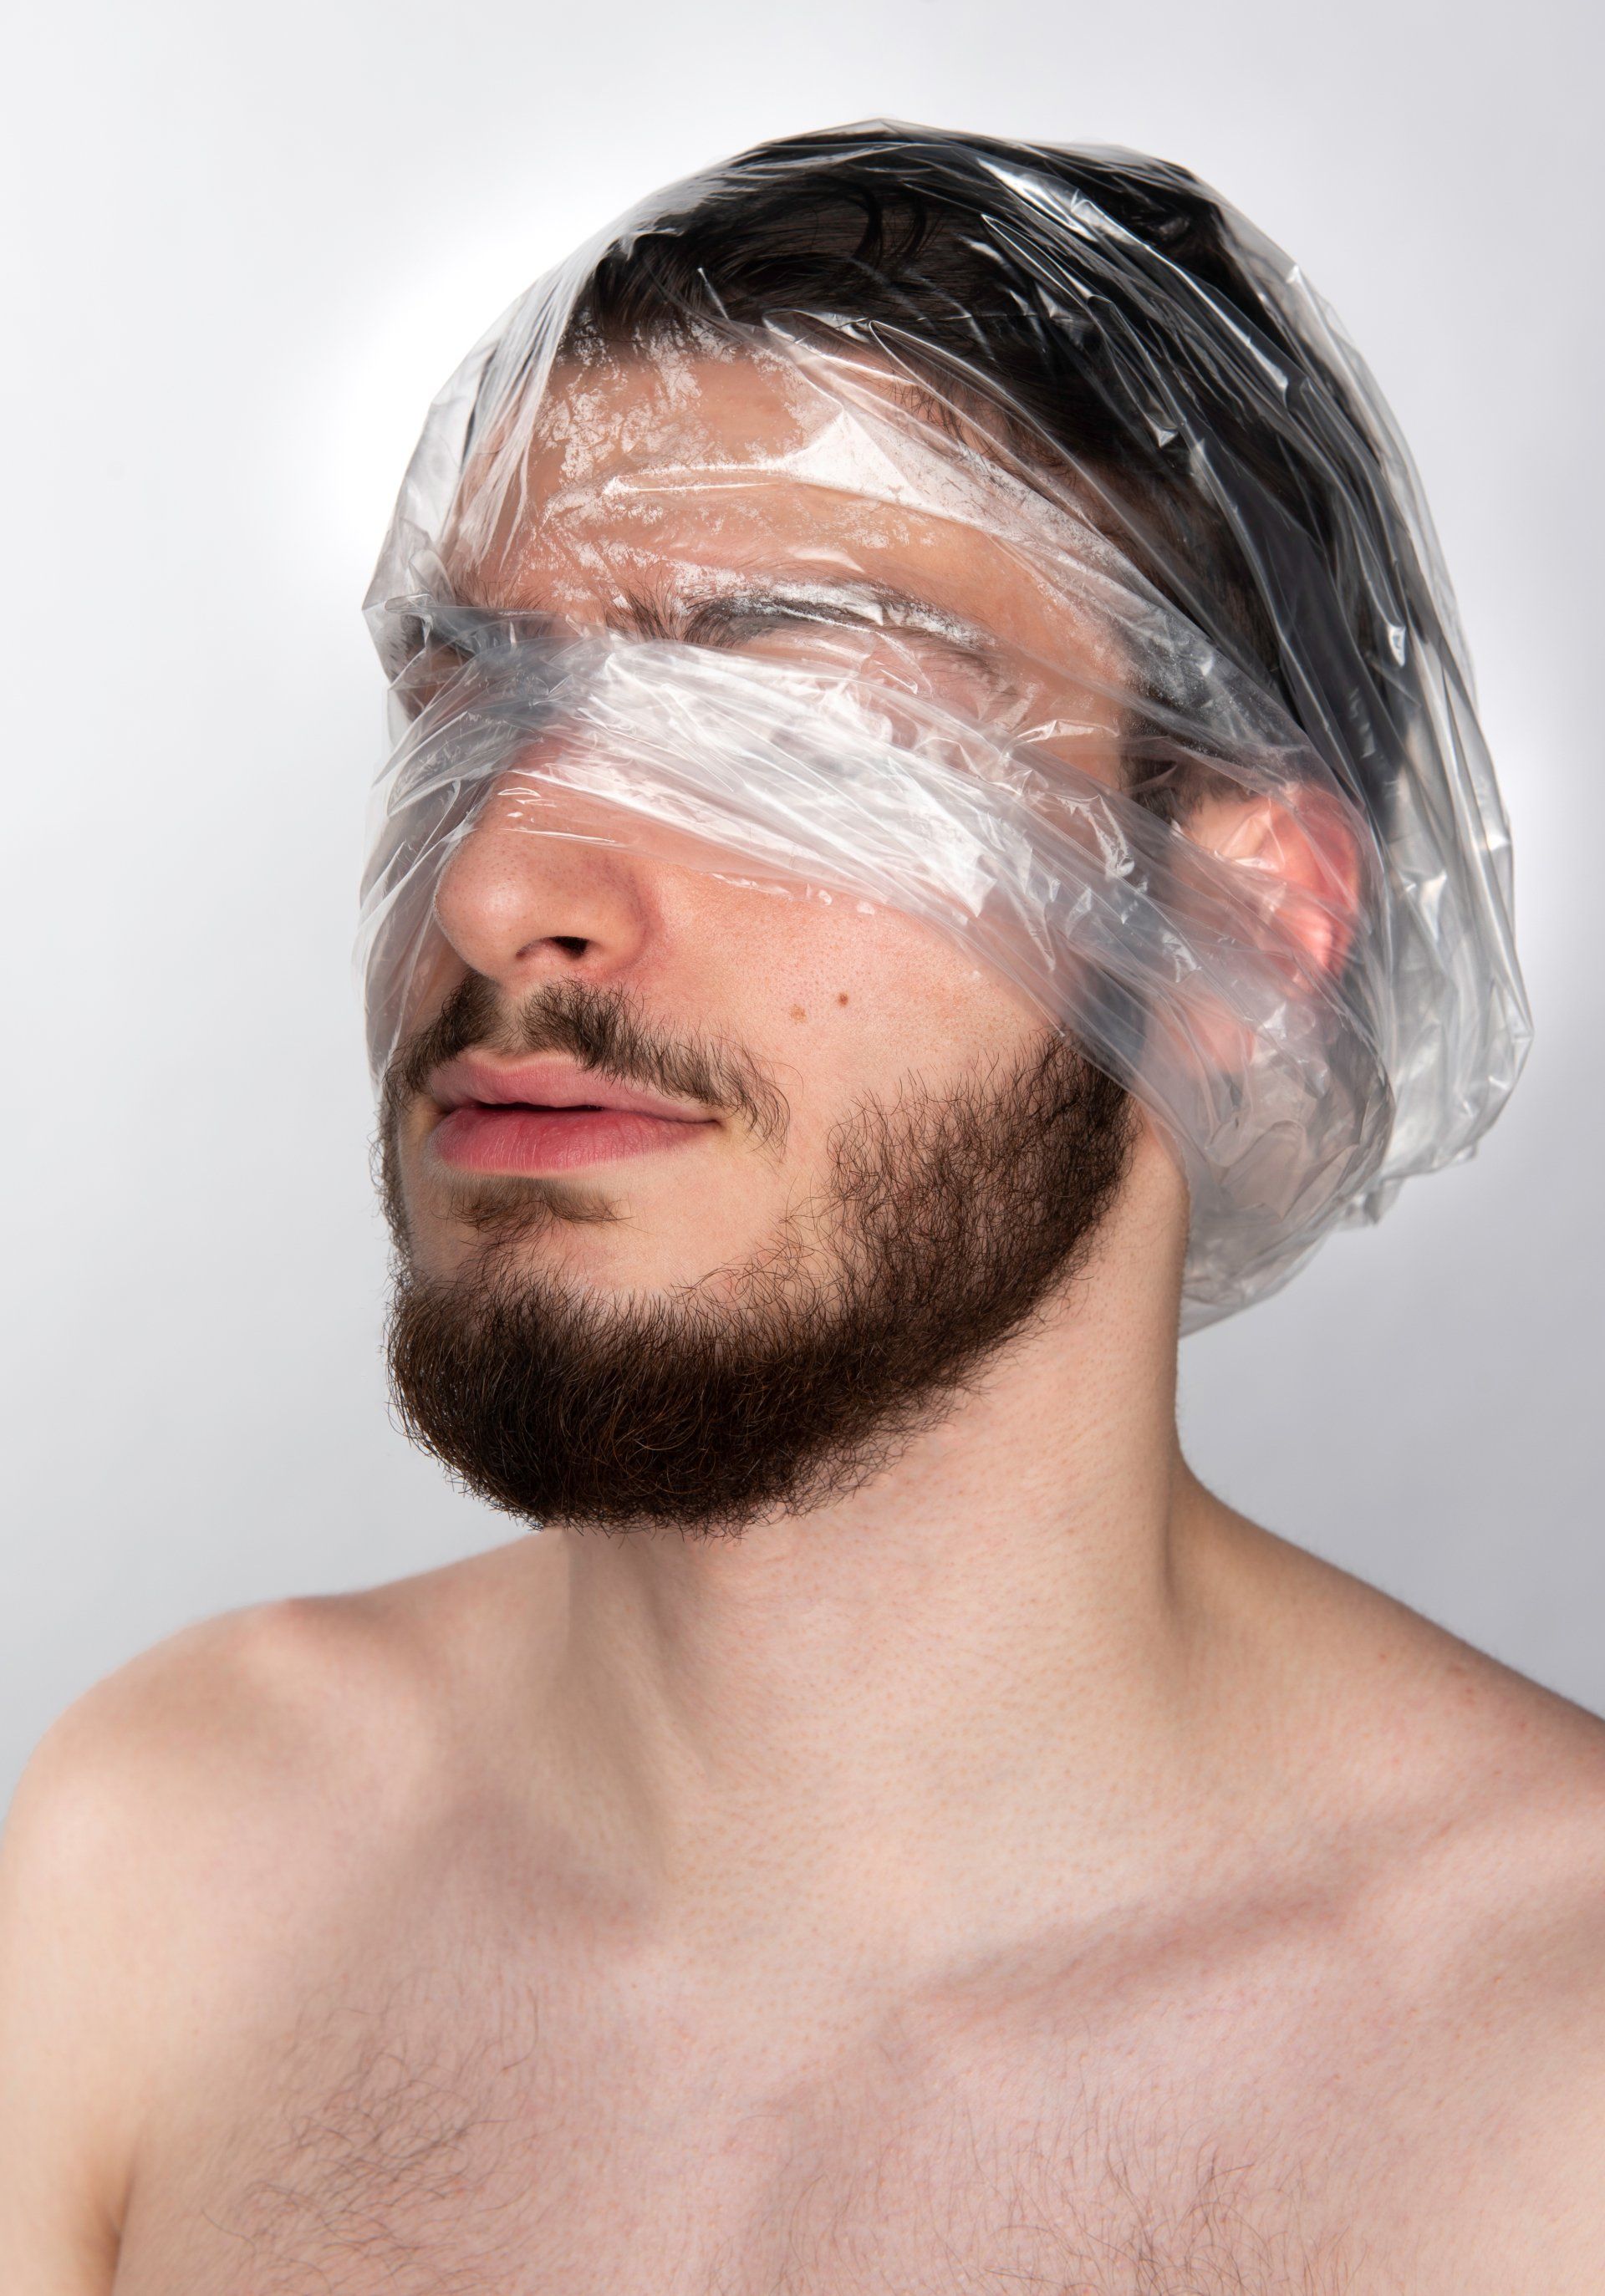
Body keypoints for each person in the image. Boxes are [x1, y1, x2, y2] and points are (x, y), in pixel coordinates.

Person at [1, 125, 1596, 2294]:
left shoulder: (1550, 2083)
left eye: (780, 731)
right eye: (475, 706)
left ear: (1242, 929)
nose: (493, 891)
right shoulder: (167, 1861)